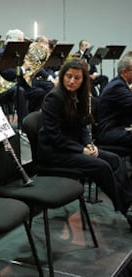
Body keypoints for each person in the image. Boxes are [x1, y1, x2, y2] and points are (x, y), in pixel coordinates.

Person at [38, 57, 132, 228]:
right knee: (101, 166)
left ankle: (129, 201)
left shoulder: (78, 96)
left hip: (73, 147)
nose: (72, 81)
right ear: (62, 76)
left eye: (77, 78)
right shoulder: (54, 98)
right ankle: (126, 209)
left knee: (115, 160)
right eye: (68, 76)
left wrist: (89, 144)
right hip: (54, 152)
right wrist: (81, 149)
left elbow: (83, 126)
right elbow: (54, 136)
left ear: (83, 80)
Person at [96, 54, 132, 147]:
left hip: (117, 128)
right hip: (109, 132)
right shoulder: (118, 86)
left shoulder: (119, 83)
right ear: (125, 72)